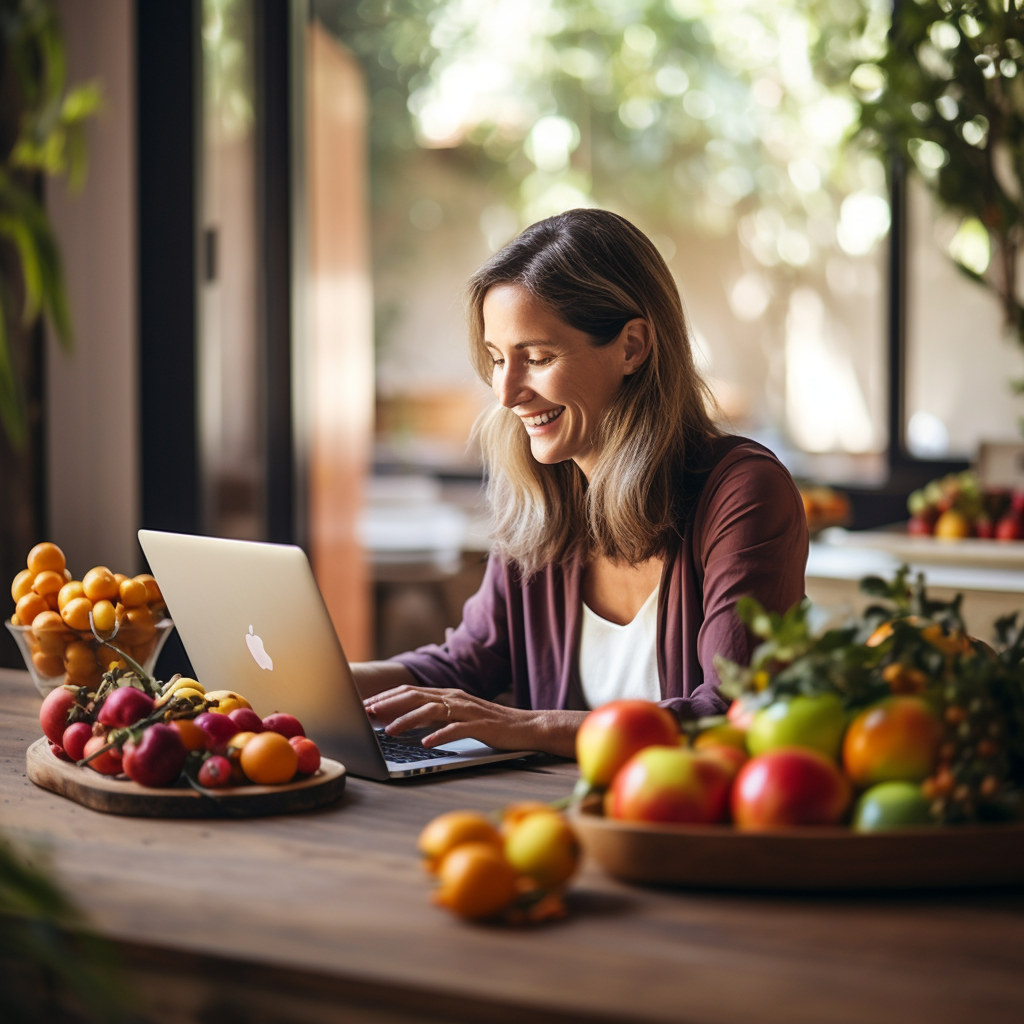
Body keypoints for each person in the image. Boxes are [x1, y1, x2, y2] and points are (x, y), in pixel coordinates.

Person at [353, 208, 808, 757]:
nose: (507, 392)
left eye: (538, 358)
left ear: (632, 347)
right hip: (549, 817)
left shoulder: (743, 493)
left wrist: (528, 726)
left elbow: (731, 711)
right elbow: (465, 664)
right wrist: (323, 682)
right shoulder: (540, 495)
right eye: (498, 360)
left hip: (682, 829)